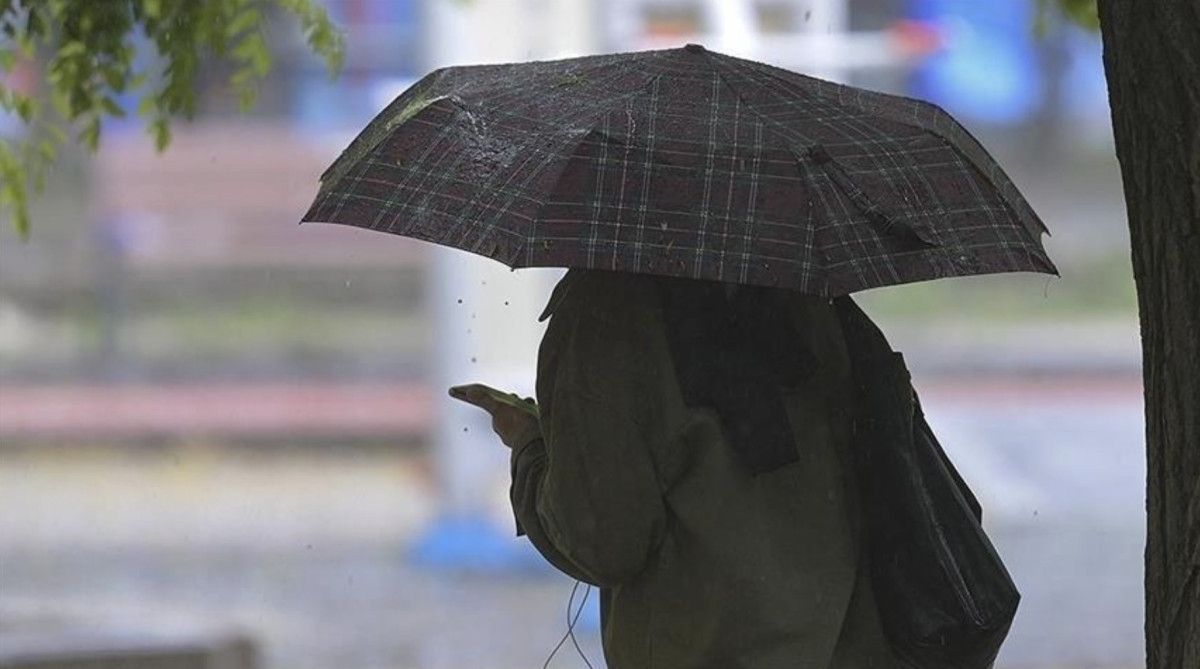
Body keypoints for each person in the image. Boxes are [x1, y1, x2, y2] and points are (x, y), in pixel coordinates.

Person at [471, 267, 898, 668]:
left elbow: (601, 542)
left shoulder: (606, 311)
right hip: (847, 647)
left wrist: (529, 445)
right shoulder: (803, 285)